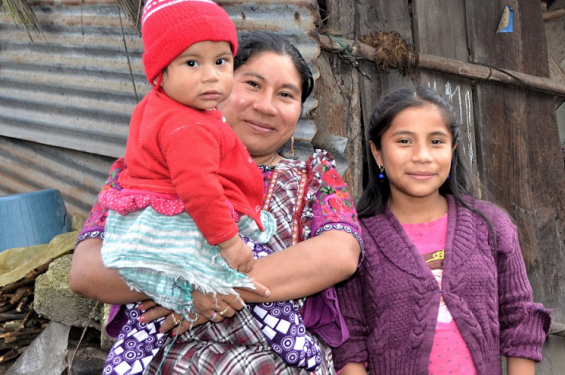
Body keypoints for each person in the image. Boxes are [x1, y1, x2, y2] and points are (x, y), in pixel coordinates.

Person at [68, 30, 361, 375]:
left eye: (285, 94)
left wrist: (210, 289)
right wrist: (189, 293)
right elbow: (87, 270)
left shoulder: (315, 176)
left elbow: (339, 254)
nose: (266, 106)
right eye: (252, 84)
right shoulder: (142, 173)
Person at [333, 87, 551, 375]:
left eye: (436, 141)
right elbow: (349, 342)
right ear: (377, 152)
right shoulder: (355, 239)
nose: (422, 156)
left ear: (453, 149)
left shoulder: (490, 225)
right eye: (404, 141)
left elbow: (520, 320)